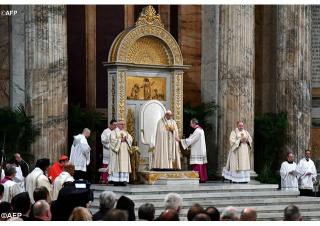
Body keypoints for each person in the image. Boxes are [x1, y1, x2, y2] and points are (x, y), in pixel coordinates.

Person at [177, 118, 208, 182]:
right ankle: (202, 178)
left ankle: (200, 178)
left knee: (197, 163)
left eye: (191, 123)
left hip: (198, 150)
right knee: (200, 163)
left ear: (194, 123)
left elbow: (191, 140)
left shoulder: (197, 131)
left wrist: (180, 140)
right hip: (200, 149)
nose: (190, 125)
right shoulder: (201, 129)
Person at [109, 120, 132, 186]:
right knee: (117, 166)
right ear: (118, 125)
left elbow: (130, 139)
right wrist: (120, 140)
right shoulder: (113, 132)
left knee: (124, 166)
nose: (123, 125)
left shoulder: (126, 132)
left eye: (124, 124)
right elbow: (112, 141)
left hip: (125, 153)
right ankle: (116, 181)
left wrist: (127, 139)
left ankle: (123, 180)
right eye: (121, 124)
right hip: (117, 153)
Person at [100, 119, 117, 184]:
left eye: (116, 125)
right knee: (106, 164)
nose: (115, 126)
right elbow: (103, 140)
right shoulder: (105, 131)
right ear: (110, 124)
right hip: (108, 150)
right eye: (114, 125)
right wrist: (110, 139)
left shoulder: (116, 131)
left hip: (114, 151)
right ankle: (105, 179)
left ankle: (112, 179)